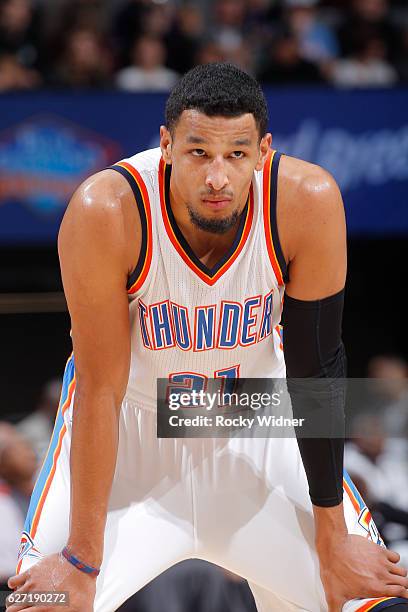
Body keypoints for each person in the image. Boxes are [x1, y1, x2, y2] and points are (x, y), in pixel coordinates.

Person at [8, 63, 408, 612]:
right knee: (45, 603)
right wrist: (78, 560)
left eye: (236, 155)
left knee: (374, 599)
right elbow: (100, 387)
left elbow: (316, 369)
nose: (218, 176)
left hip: (258, 422)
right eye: (199, 153)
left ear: (263, 151)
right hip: (132, 430)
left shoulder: (307, 200)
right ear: (167, 145)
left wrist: (334, 535)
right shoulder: (106, 210)